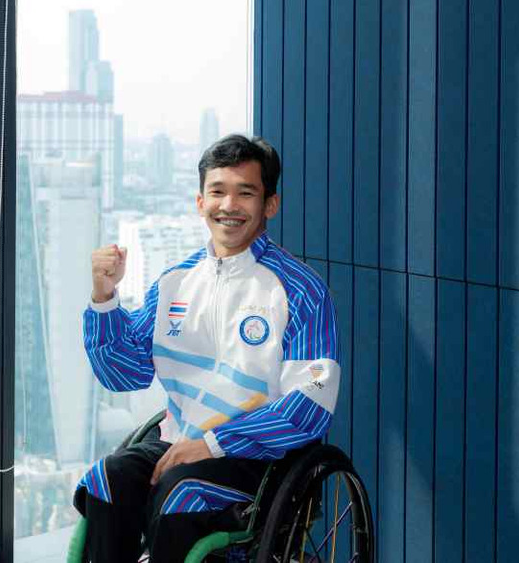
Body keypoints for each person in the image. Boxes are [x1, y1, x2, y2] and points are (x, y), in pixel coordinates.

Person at [73, 134, 340, 562]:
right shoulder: (174, 283)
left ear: (270, 204)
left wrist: (212, 444)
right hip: (177, 443)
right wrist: (104, 298)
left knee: (179, 493)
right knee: (108, 477)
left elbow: (310, 406)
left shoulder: (300, 290)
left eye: (245, 193)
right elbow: (124, 374)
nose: (229, 205)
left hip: (259, 460)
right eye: (217, 192)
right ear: (200, 202)